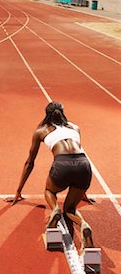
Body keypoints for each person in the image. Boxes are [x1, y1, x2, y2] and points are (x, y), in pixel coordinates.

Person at [5, 101, 94, 249]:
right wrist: (82, 192)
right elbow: (77, 155)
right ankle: (83, 224)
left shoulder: (41, 131)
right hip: (84, 165)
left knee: (49, 191)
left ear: (46, 115)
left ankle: (55, 209)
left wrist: (18, 191)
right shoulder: (75, 127)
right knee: (70, 209)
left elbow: (29, 163)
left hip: (62, 166)